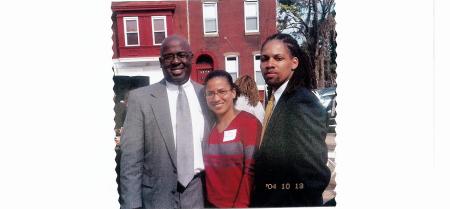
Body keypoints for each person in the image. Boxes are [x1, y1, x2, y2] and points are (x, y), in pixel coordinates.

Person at [119, 35, 214, 209]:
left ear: (191, 58)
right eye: (169, 57)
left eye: (182, 55)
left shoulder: (207, 96)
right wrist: (132, 205)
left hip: (199, 194)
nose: (176, 61)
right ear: (161, 62)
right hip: (156, 198)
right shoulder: (141, 99)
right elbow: (131, 160)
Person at [251, 33, 331, 207]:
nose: (269, 64)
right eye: (264, 59)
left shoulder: (301, 103)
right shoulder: (276, 99)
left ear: (294, 62)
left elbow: (312, 177)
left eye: (278, 58)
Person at [203, 70, 261, 208]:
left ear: (233, 93)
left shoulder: (249, 123)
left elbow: (251, 171)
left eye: (222, 91)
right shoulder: (208, 127)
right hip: (210, 204)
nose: (216, 98)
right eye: (210, 93)